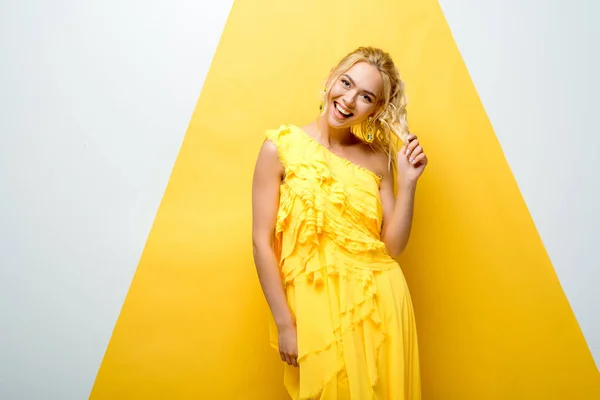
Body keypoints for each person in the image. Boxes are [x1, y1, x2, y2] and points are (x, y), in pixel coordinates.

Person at [251, 46, 427, 400]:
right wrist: (285, 324)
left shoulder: (379, 156)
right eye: (345, 83)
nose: (348, 100)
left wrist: (408, 183)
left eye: (365, 96)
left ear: (375, 108)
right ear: (332, 77)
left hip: (381, 304)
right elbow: (260, 241)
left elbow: (392, 247)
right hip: (316, 308)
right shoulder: (280, 148)